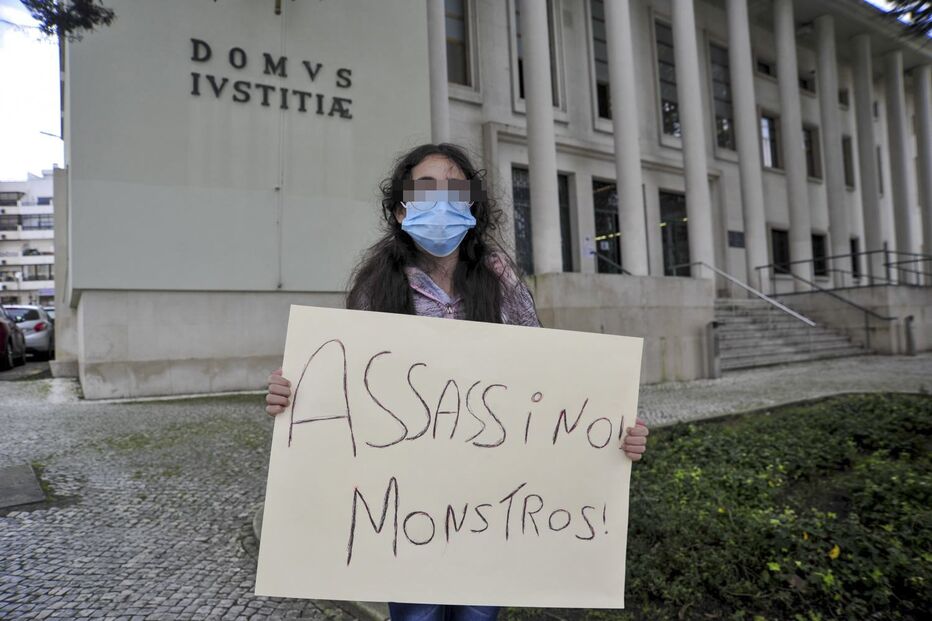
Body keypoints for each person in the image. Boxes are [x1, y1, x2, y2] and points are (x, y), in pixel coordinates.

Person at [264, 143, 650, 621]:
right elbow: (346, 384)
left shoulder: (501, 282)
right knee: (417, 616)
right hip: (403, 500)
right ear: (402, 209)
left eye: (454, 189)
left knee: (477, 615)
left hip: (488, 500)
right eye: (425, 190)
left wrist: (613, 429)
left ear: (472, 204)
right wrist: (294, 395)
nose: (440, 202)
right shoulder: (376, 287)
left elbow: (548, 384)